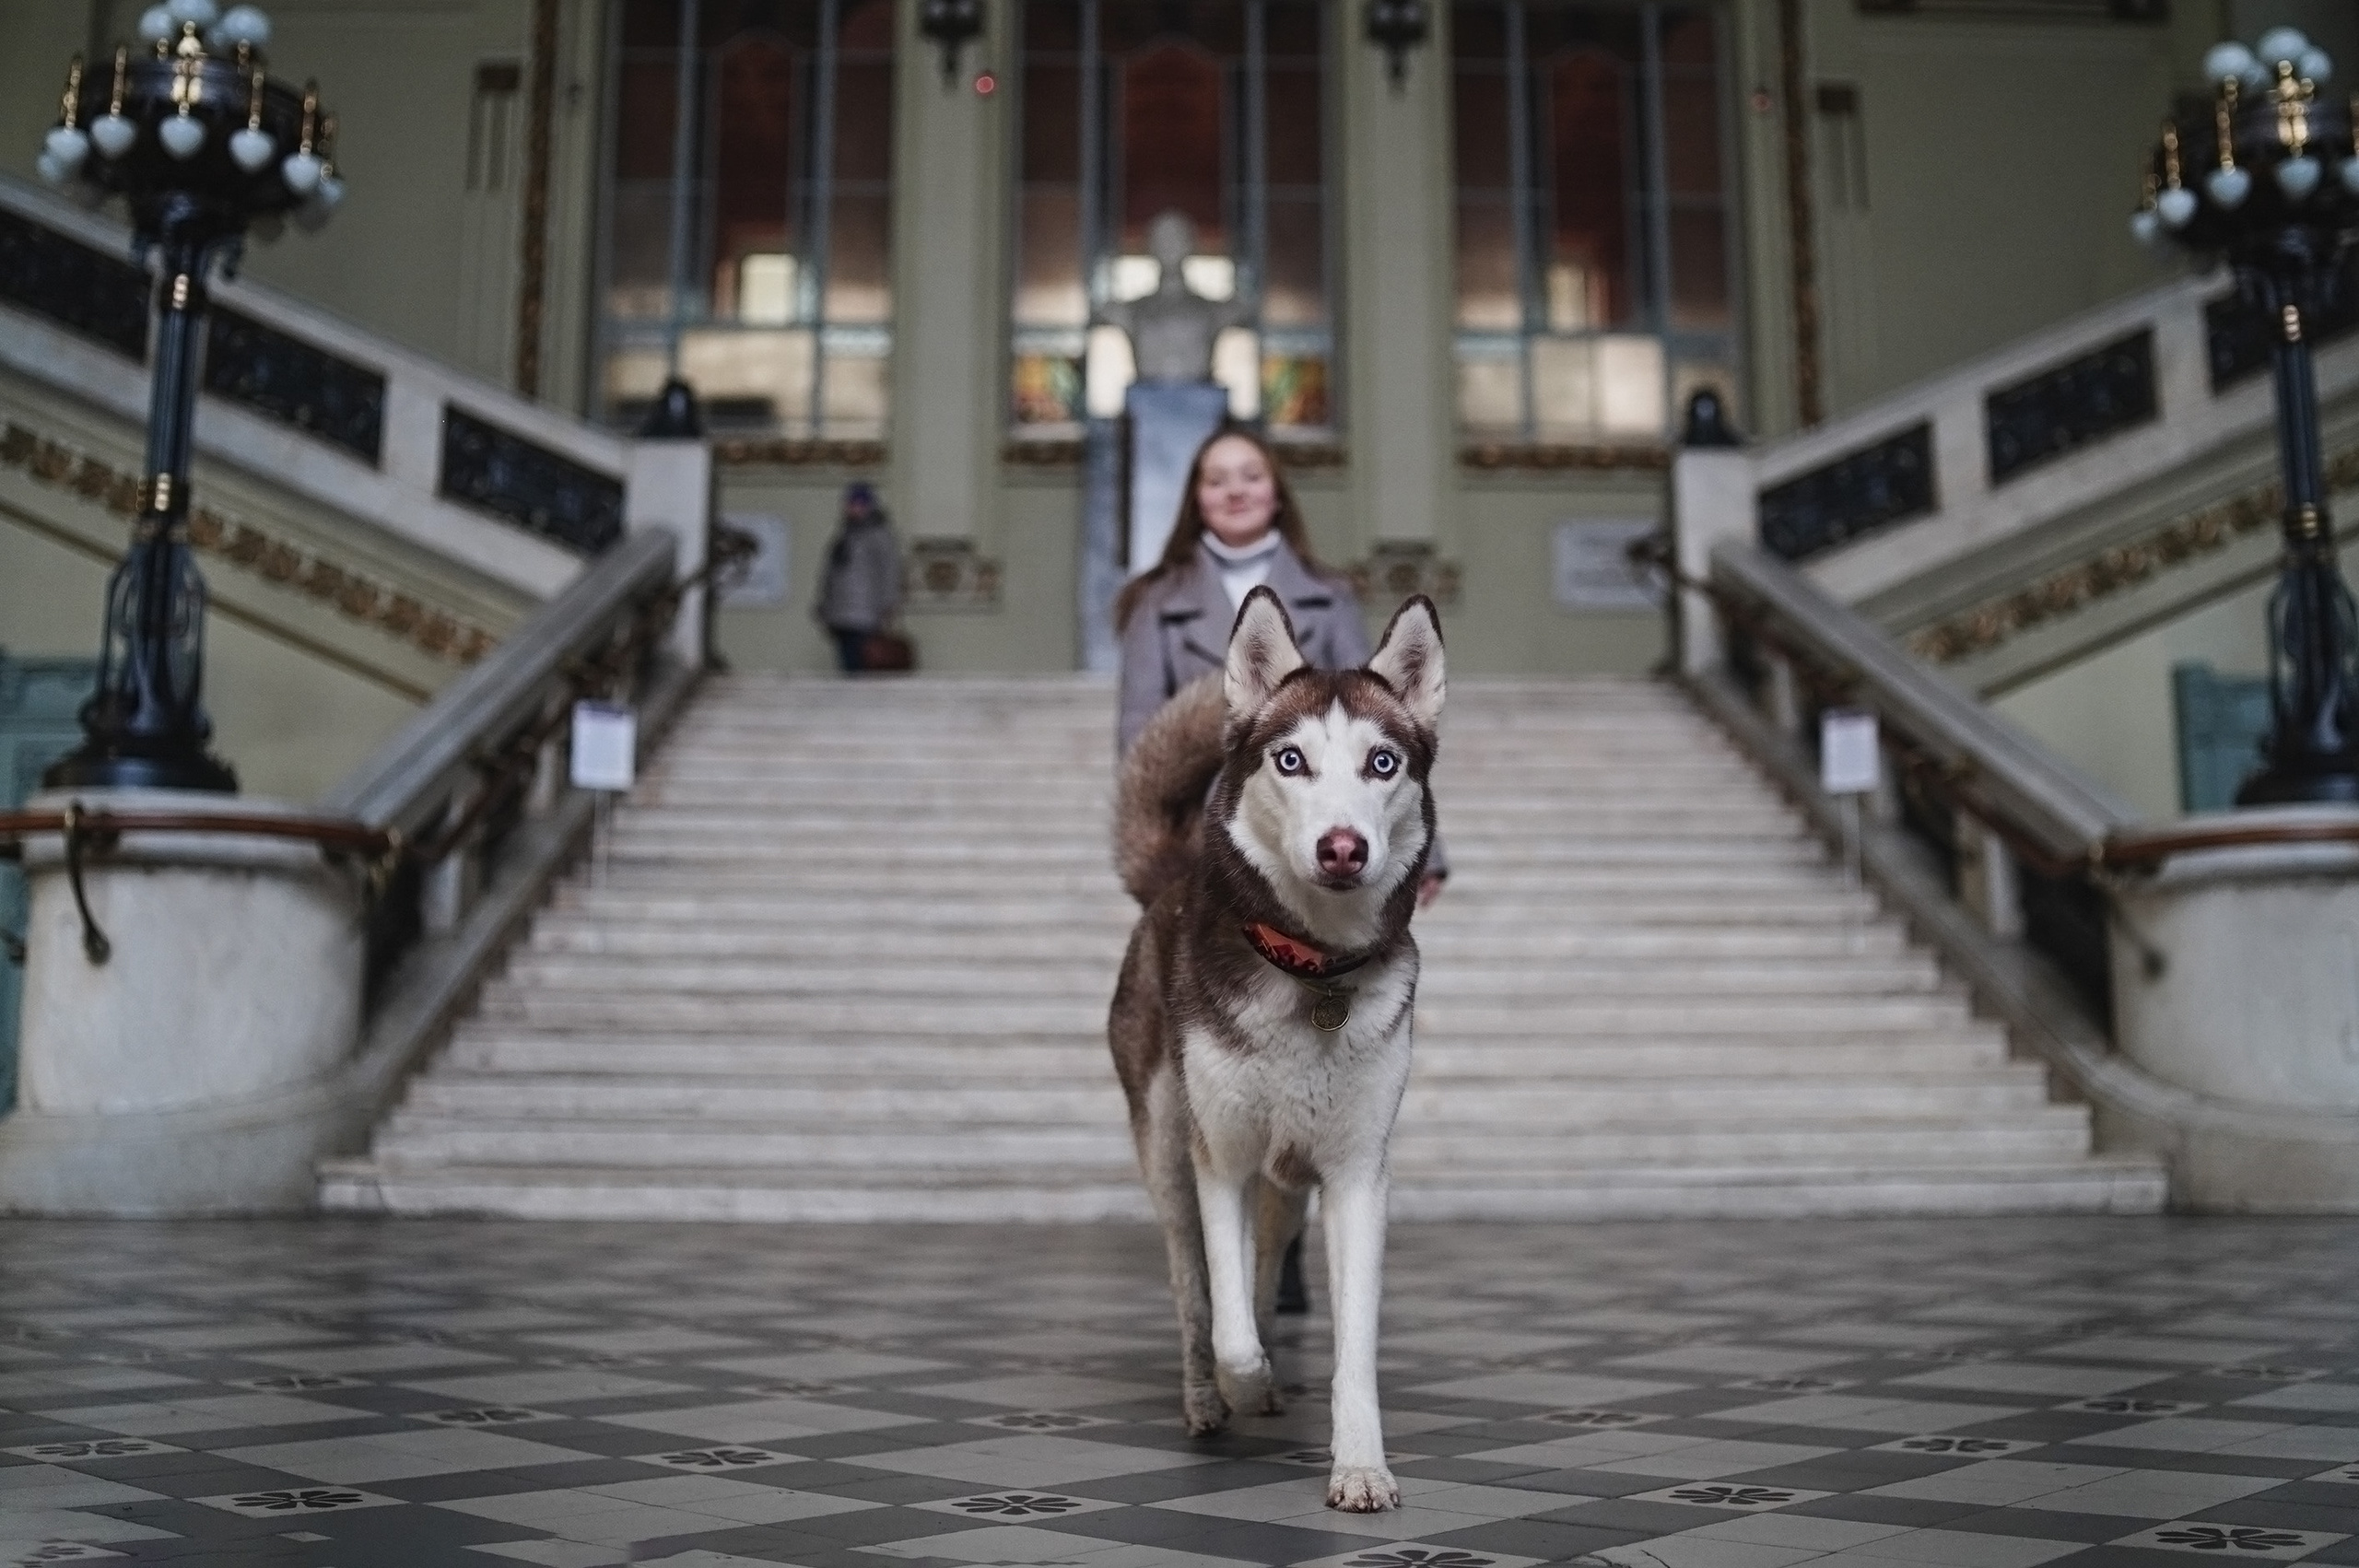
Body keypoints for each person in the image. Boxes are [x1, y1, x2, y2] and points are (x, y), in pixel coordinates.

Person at [1114, 427, 1446, 907]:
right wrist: (1152, 845)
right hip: (1201, 844)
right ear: (1196, 499)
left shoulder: (1330, 596)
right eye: (1217, 480)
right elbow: (1140, 737)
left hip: (1322, 828)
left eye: (1251, 476)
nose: (1235, 490)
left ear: (1277, 495)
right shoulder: (1156, 602)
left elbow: (1384, 725)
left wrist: (1425, 852)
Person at [815, 482, 902, 673]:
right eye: (849, 503)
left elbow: (889, 571)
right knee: (848, 665)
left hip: (865, 613)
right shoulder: (846, 534)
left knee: (862, 666)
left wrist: (888, 605)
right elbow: (831, 573)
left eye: (857, 504)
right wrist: (824, 605)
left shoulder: (879, 535)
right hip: (840, 614)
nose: (852, 508)